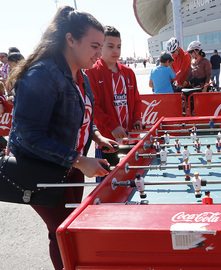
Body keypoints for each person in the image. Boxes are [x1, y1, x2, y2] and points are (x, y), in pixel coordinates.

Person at [6, 6, 117, 270]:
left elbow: (80, 117)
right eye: (94, 46)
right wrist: (78, 160)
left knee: (66, 230)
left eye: (101, 47)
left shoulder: (81, 74)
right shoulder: (41, 74)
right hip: (41, 171)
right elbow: (27, 135)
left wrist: (97, 136)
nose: (98, 54)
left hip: (71, 169)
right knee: (64, 233)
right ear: (70, 39)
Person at [86, 25, 142, 172]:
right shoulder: (91, 73)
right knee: (107, 183)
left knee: (132, 180)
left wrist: (137, 119)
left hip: (130, 138)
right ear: (101, 47)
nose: (116, 50)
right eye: (110, 46)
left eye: (119, 46)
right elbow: (93, 108)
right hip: (107, 142)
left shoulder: (129, 73)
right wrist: (112, 126)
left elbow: (136, 100)